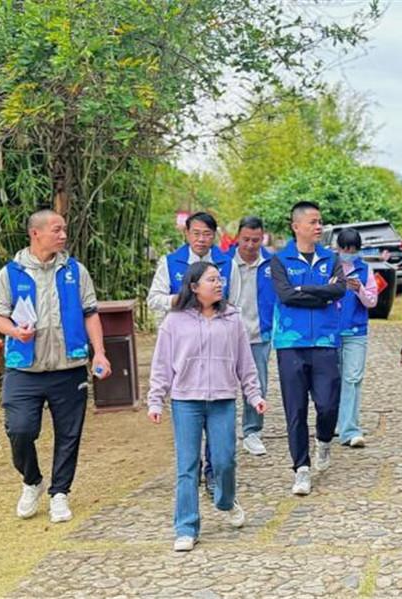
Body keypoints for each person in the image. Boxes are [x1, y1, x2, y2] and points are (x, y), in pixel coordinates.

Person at [0, 209, 111, 523]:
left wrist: (99, 353)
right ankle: (32, 481)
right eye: (57, 230)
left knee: (69, 434)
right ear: (36, 233)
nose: (63, 235)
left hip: (69, 366)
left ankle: (60, 493)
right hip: (24, 368)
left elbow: (90, 313)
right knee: (19, 430)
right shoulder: (10, 273)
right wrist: (14, 331)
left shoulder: (76, 271)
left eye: (64, 229)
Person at [147, 261, 266, 552]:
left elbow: (245, 362)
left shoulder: (232, 318)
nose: (218, 283)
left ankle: (226, 500)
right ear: (194, 287)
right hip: (186, 401)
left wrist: (254, 395)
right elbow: (162, 364)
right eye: (211, 279)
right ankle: (186, 527)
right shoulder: (174, 321)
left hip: (222, 400)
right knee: (187, 465)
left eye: (219, 278)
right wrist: (155, 399)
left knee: (225, 460)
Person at [147, 211, 240, 497]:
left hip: (217, 342)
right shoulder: (170, 262)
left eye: (207, 234)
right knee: (190, 415)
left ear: (214, 236)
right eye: (196, 233)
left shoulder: (227, 263)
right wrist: (184, 300)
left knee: (218, 417)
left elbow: (233, 301)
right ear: (186, 234)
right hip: (184, 344)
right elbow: (154, 299)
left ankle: (214, 472)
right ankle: (192, 471)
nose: (201, 239)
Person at [271, 201, 346, 495]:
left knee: (328, 404)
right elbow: (286, 296)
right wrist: (321, 294)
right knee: (296, 408)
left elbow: (339, 289)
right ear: (296, 226)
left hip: (325, 340)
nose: (319, 227)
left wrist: (305, 290)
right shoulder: (280, 261)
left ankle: (324, 441)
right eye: (313, 222)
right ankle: (301, 468)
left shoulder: (331, 258)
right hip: (291, 342)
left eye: (320, 222)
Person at [230, 216, 276, 456]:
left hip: (259, 333)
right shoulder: (223, 263)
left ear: (262, 239)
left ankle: (252, 431)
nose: (250, 245)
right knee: (223, 384)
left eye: (255, 240)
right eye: (246, 239)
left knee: (257, 385)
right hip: (227, 335)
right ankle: (224, 431)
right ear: (237, 237)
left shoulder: (272, 264)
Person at [335, 228, 378, 448]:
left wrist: (359, 289)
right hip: (330, 332)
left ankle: (350, 429)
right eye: (345, 249)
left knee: (352, 379)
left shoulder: (365, 270)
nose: (348, 254)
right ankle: (335, 421)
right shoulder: (329, 266)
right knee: (331, 381)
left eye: (353, 250)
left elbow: (372, 301)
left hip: (355, 332)